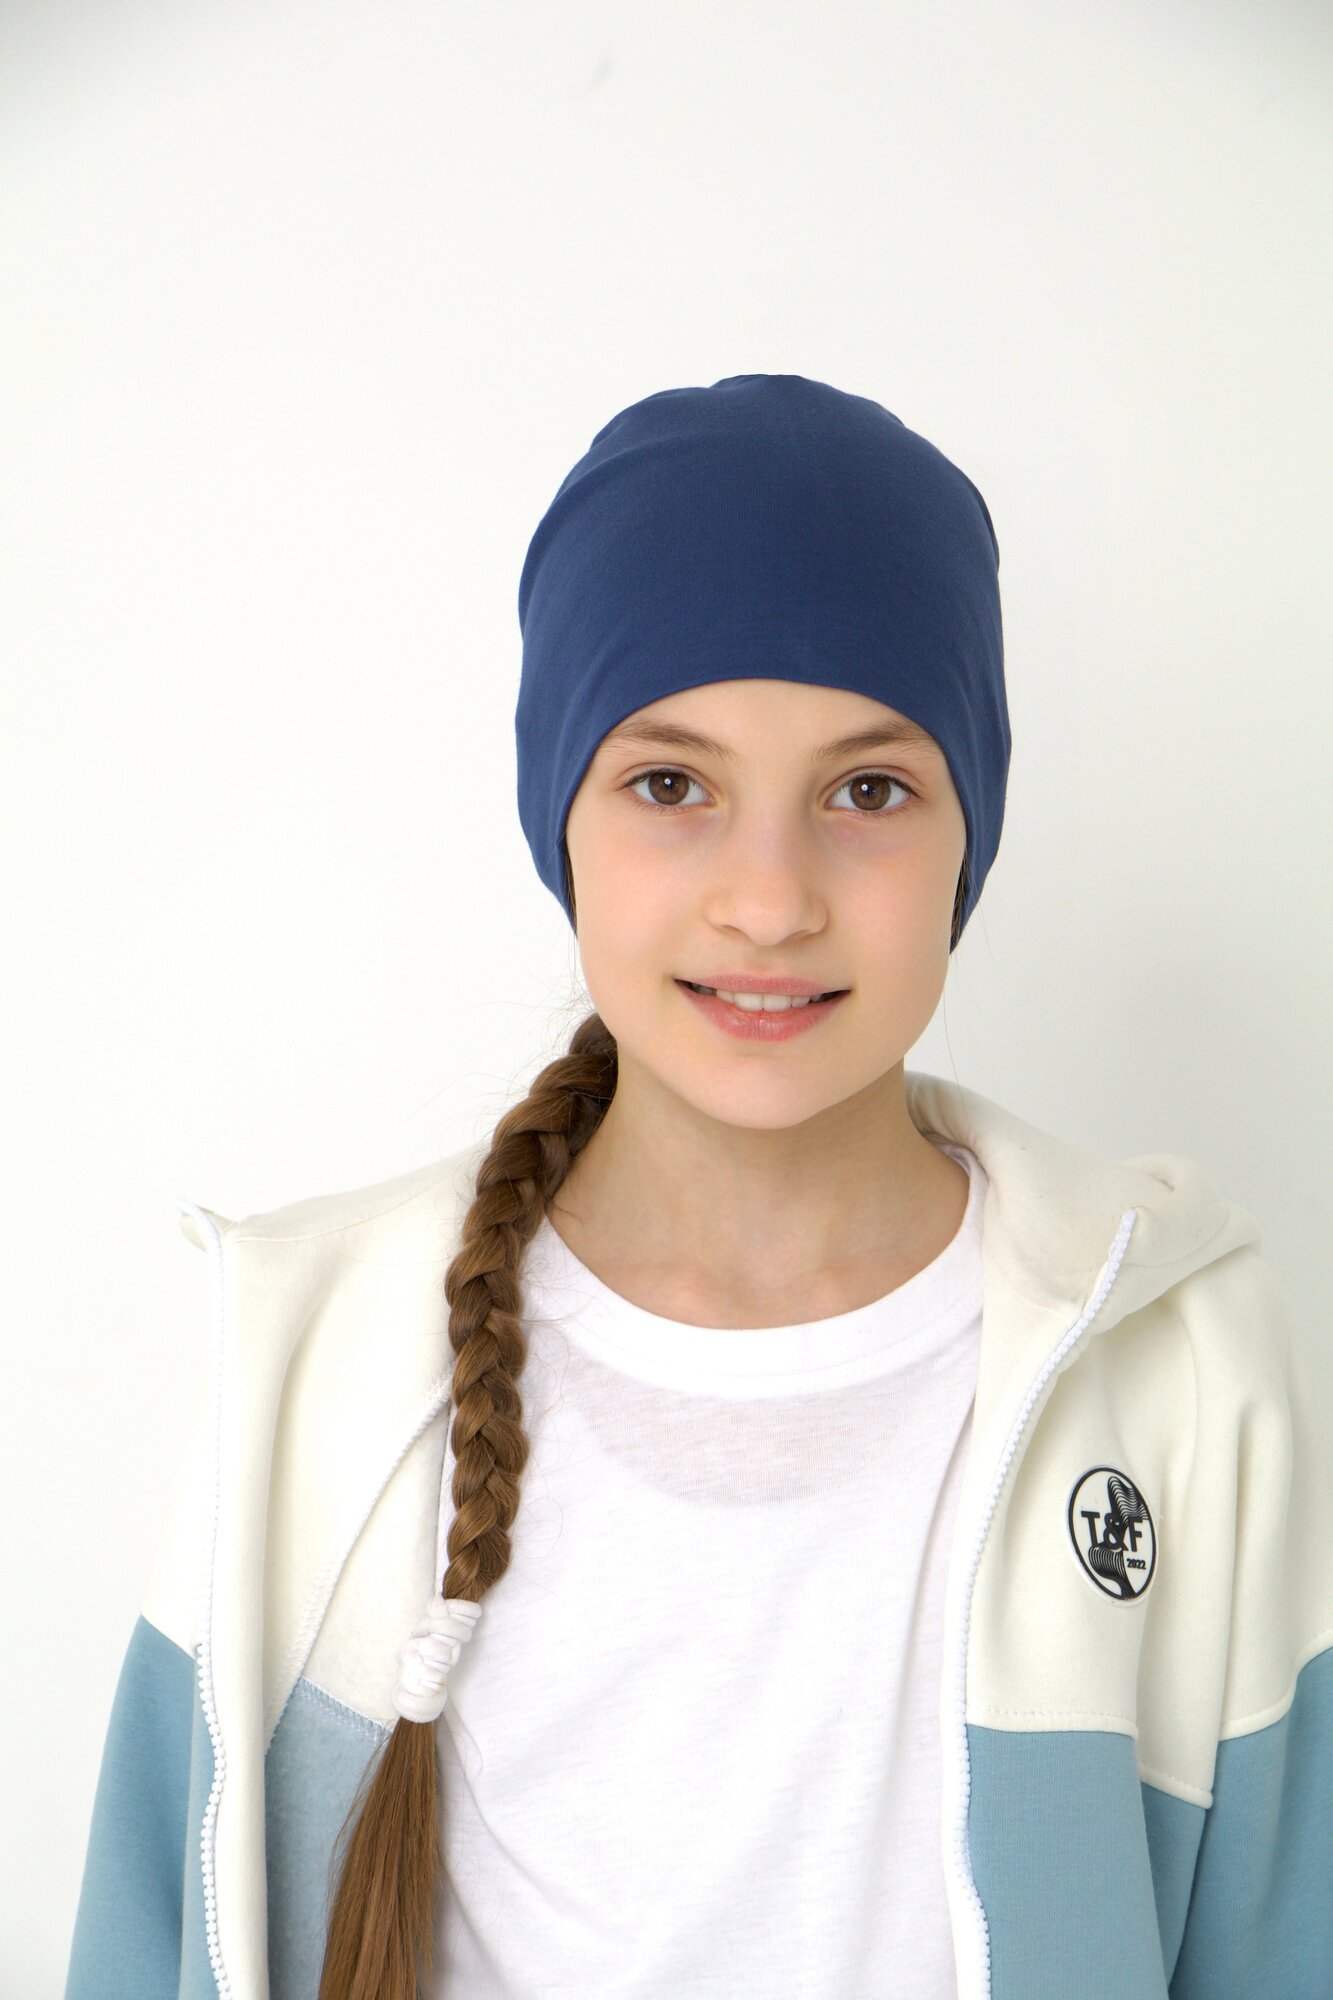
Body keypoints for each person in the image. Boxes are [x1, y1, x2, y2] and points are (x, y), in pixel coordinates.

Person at [65, 375, 1331, 2000]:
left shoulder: (1181, 1362)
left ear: (971, 831)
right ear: (561, 818)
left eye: (867, 790)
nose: (767, 898)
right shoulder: (319, 1360)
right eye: (670, 785)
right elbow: (145, 1943)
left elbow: (1276, 1942)